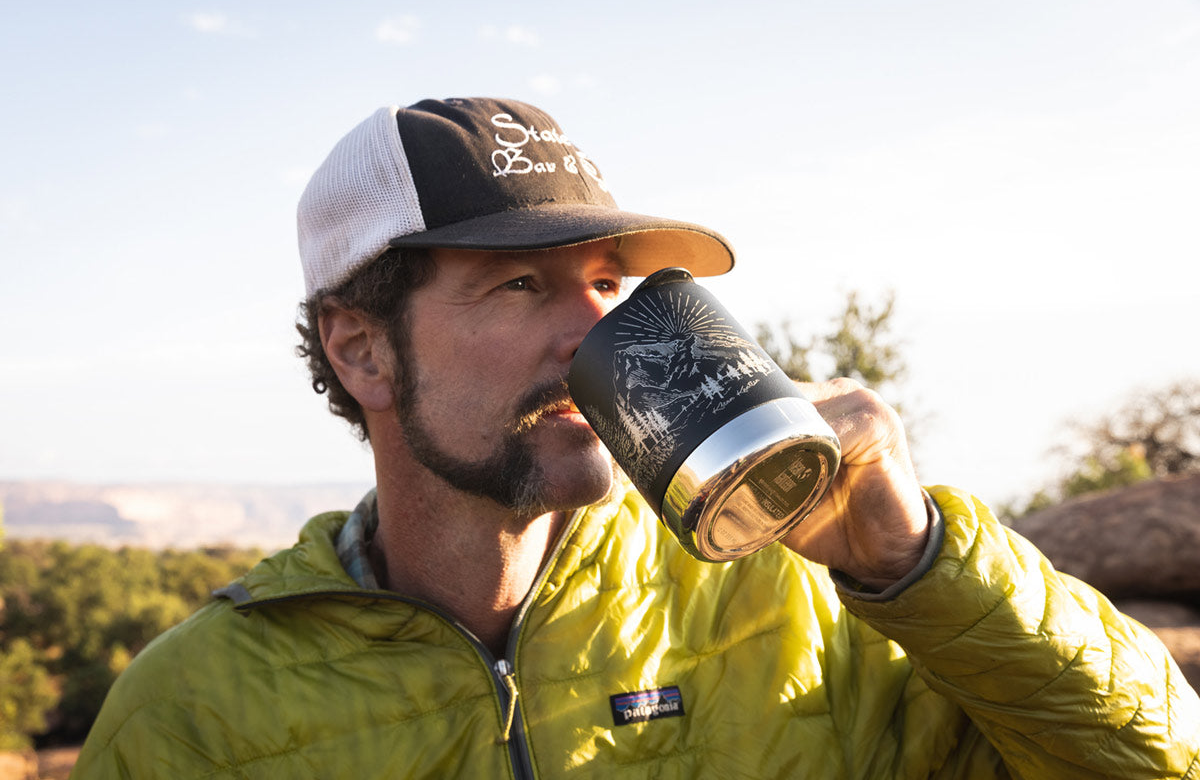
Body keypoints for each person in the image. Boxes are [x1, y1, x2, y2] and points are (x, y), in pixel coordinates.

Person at [72, 97, 1200, 779]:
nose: (594, 332)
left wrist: (920, 567)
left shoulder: (796, 606)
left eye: (611, 280)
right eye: (520, 282)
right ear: (362, 350)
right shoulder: (197, 709)